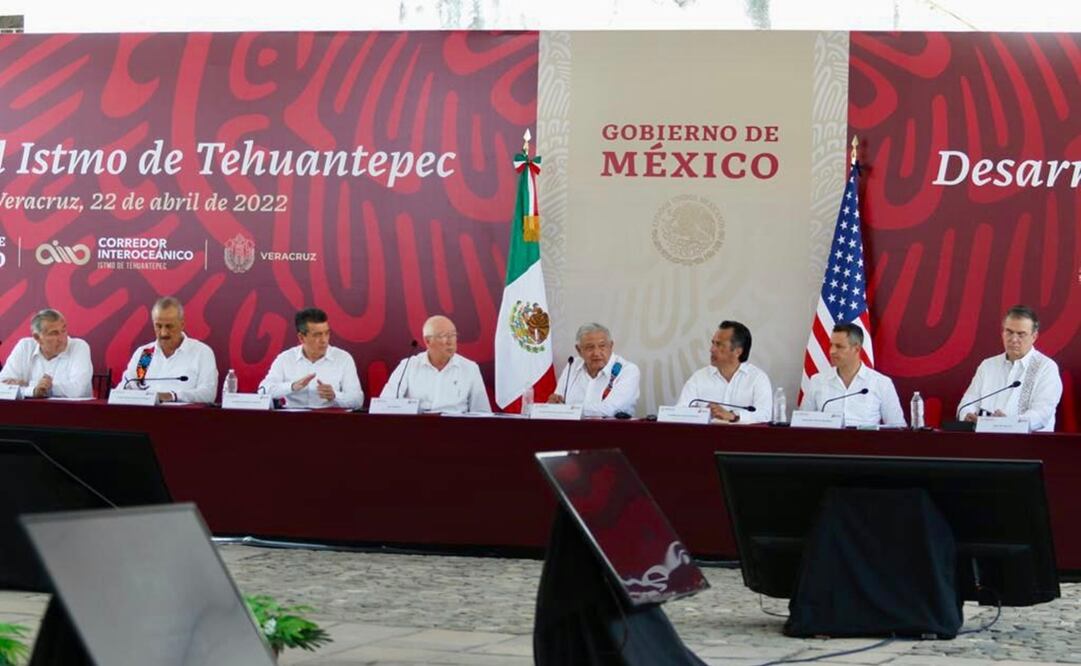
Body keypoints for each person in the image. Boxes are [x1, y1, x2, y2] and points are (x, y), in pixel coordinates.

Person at [958, 305, 1062, 432]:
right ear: (1003, 333)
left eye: (1021, 334)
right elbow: (966, 403)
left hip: (1030, 446)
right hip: (985, 443)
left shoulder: (1046, 367)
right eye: (1009, 332)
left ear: (1034, 336)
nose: (1013, 339)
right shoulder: (988, 365)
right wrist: (967, 416)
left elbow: (1042, 414)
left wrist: (1009, 424)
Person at [116, 296, 217, 404]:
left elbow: (208, 394)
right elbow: (125, 387)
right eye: (158, 326)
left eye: (169, 326)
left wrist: (172, 396)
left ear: (182, 324)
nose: (163, 333)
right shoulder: (146, 354)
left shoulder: (201, 353)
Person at [381, 315, 491, 413]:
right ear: (428, 341)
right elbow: (385, 404)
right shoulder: (409, 365)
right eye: (444, 336)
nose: (450, 341)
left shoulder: (470, 368)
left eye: (453, 335)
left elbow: (482, 413)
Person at [802, 323, 905, 427]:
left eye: (839, 346)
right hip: (827, 442)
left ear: (856, 349)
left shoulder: (881, 383)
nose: (832, 351)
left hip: (867, 442)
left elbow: (897, 427)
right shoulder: (817, 381)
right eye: (831, 345)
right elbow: (802, 423)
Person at [258, 308, 363, 409]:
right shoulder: (285, 358)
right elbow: (263, 391)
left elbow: (358, 400)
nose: (324, 340)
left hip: (330, 420)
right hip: (291, 421)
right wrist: (292, 386)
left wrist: (335, 396)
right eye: (317, 335)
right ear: (301, 337)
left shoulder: (343, 359)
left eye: (327, 333)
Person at [677, 320, 771, 423]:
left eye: (719, 344)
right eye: (713, 343)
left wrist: (733, 416)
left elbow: (765, 415)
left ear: (737, 352)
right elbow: (679, 412)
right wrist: (701, 413)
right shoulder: (699, 377)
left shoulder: (757, 378)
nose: (711, 349)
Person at [549, 323, 640, 417]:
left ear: (611, 346)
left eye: (602, 346)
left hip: (612, 430)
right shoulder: (572, 365)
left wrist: (568, 409)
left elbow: (610, 409)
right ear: (579, 350)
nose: (596, 353)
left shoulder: (628, 370)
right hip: (570, 429)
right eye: (590, 347)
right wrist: (554, 404)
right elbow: (558, 403)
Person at [0, 308, 92, 398]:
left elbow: (79, 390)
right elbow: (2, 386)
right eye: (54, 333)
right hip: (27, 410)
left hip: (70, 411)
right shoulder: (25, 346)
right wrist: (33, 390)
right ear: (37, 337)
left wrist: (30, 385)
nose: (62, 338)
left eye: (63, 330)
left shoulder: (79, 346)